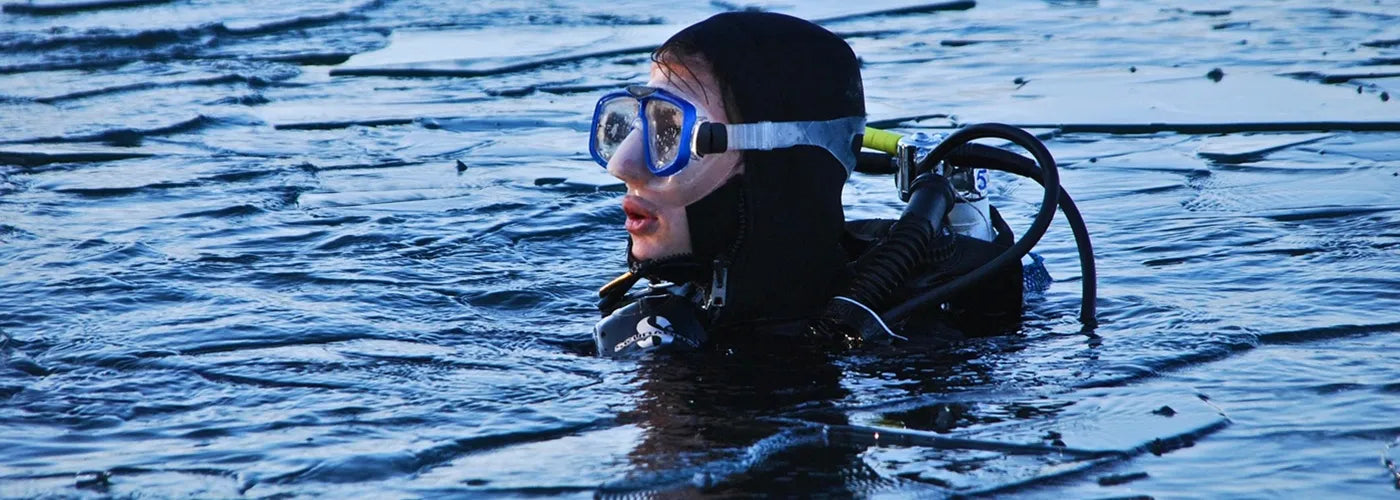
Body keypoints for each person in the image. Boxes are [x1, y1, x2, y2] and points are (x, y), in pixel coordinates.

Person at [590, 12, 1023, 356]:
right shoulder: (670, 313)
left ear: (775, 168)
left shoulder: (913, 340)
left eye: (671, 133)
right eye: (636, 125)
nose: (624, 165)